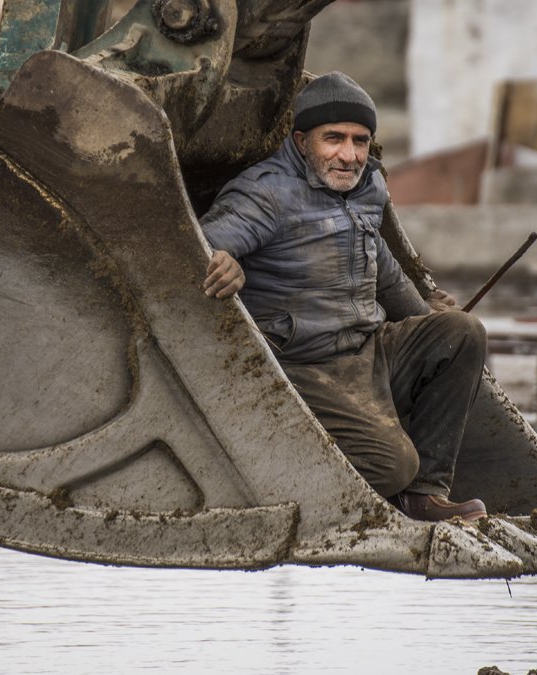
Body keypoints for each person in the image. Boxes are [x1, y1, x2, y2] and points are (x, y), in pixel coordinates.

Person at [198, 72, 489, 522]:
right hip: (303, 368)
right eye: (333, 138)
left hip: (366, 352)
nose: (349, 155)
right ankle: (294, 476)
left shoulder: (368, 186)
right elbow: (197, 246)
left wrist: (424, 315)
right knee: (394, 465)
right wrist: (225, 263)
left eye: (359, 141)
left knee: (461, 332)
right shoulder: (266, 193)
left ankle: (424, 495)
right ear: (301, 140)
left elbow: (384, 269)